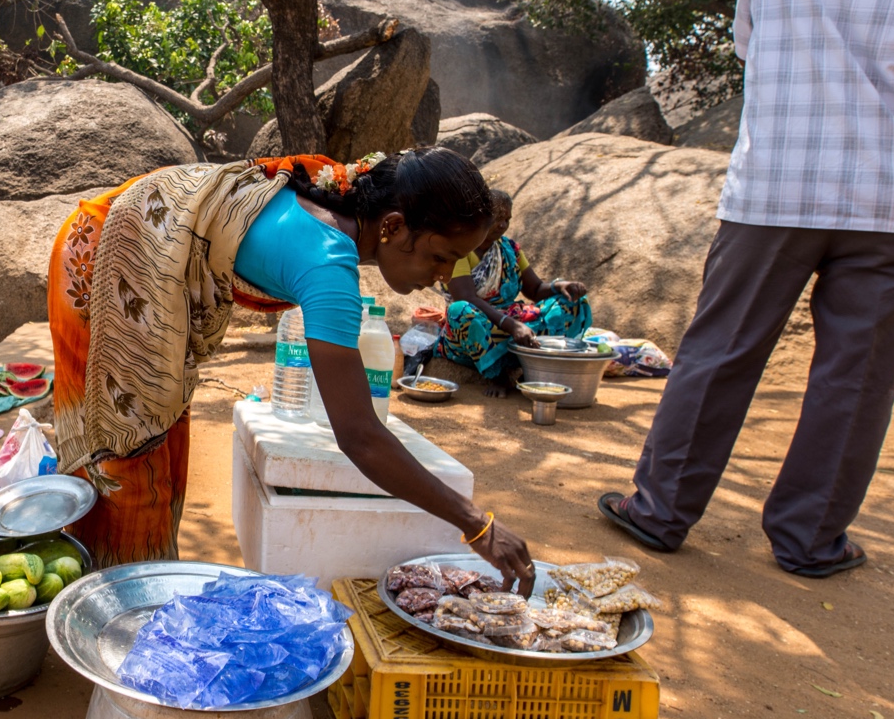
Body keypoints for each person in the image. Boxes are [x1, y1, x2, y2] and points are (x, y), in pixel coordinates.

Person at [600, 0, 894, 578]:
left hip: (774, 185)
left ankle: (661, 509)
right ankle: (810, 538)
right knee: (857, 374)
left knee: (720, 348)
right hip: (891, 202)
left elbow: (749, 43)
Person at [47, 147, 537, 590]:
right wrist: (476, 523)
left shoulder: (343, 199)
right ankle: (113, 606)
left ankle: (132, 585)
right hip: (105, 252)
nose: (443, 277)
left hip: (147, 238)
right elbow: (360, 435)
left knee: (165, 447)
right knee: (128, 459)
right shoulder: (328, 267)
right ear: (390, 227)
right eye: (440, 257)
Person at [438, 190, 591, 396]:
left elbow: (535, 290)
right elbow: (467, 298)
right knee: (460, 310)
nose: (503, 225)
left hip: (511, 328)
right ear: (480, 217)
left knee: (572, 303)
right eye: (497, 219)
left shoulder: (509, 249)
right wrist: (512, 325)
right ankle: (497, 374)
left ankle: (533, 368)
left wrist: (559, 287)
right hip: (473, 334)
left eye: (507, 219)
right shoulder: (460, 250)